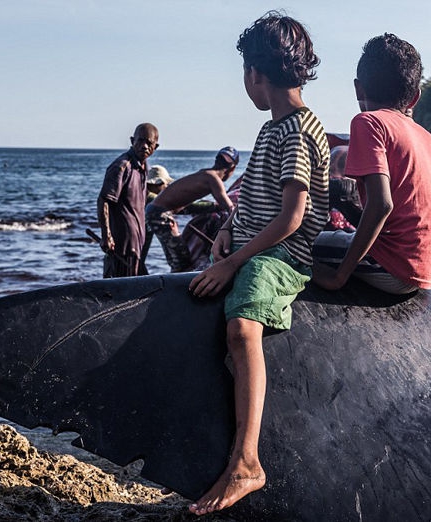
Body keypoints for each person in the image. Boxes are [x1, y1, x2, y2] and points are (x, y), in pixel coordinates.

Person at [186, 12, 329, 514]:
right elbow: (257, 200)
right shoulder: (273, 129)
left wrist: (233, 263)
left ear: (254, 74)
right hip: (252, 244)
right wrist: (227, 230)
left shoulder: (296, 131)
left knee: (243, 329)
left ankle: (247, 461)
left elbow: (293, 216)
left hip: (279, 256)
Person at [311, 34, 431, 293]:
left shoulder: (368, 122)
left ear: (358, 88)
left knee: (289, 245)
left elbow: (381, 204)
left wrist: (339, 276)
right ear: (415, 98)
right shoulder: (426, 136)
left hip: (396, 267)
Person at [146, 147, 240, 272]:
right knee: (182, 259)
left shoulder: (205, 173)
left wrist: (211, 207)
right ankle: (177, 285)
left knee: (175, 256)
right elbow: (229, 207)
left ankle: (172, 279)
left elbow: (186, 203)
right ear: (232, 169)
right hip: (160, 213)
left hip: (156, 211)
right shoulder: (213, 179)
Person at [97, 123, 159, 278]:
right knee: (118, 291)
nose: (144, 146)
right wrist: (106, 235)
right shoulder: (122, 167)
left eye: (149, 143)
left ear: (155, 147)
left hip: (136, 245)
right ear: (132, 141)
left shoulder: (144, 168)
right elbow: (104, 200)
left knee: (133, 288)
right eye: (140, 141)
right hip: (122, 245)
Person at [139, 165, 174, 275]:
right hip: (134, 253)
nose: (167, 186)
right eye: (165, 183)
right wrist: (214, 206)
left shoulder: (141, 195)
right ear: (157, 184)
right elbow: (180, 205)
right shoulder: (153, 200)